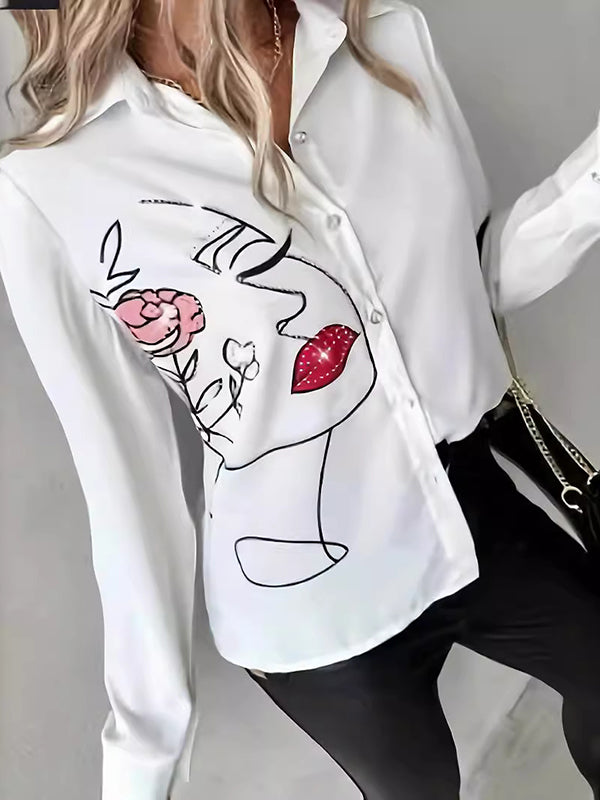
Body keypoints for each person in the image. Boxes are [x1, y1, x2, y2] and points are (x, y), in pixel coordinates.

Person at [1, 1, 600, 798]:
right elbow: (128, 491)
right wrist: (147, 762)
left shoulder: (383, 37)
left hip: (468, 507)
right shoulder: (53, 186)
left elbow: (472, 284)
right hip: (309, 602)